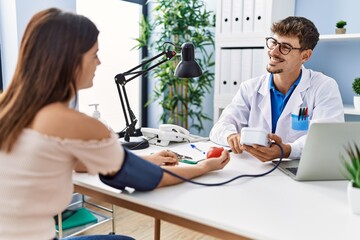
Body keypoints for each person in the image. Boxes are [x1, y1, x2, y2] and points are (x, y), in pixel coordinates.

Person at [0, 8, 230, 240]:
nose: (99, 62)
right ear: (69, 61)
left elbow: (78, 162)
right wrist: (205, 167)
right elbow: (151, 178)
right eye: (94, 54)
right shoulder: (76, 125)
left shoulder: (8, 110)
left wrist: (146, 159)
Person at [210, 16, 344, 162]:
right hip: (254, 169)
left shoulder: (323, 87)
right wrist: (231, 136)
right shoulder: (250, 88)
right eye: (273, 43)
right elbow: (219, 128)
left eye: (285, 47)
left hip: (298, 170)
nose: (273, 52)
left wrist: (287, 150)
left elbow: (327, 139)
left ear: (305, 56)